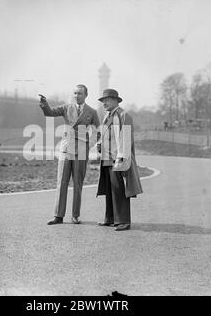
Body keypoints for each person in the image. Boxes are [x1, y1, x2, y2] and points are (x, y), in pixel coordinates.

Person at [39, 84, 100, 225]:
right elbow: (50, 112)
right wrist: (44, 104)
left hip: (81, 151)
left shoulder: (92, 112)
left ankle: (75, 215)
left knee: (78, 184)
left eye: (79, 93)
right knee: (61, 182)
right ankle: (58, 216)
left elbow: (97, 131)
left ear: (86, 95)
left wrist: (88, 145)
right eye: (75, 93)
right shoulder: (67, 107)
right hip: (66, 149)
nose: (76, 95)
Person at [96, 89, 143, 231]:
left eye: (107, 100)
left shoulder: (124, 116)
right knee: (109, 189)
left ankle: (123, 221)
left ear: (116, 100)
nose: (104, 103)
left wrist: (121, 158)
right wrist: (99, 144)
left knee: (119, 189)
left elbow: (126, 139)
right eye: (103, 100)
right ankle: (110, 218)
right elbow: (103, 134)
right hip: (106, 159)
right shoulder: (106, 117)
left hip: (118, 158)